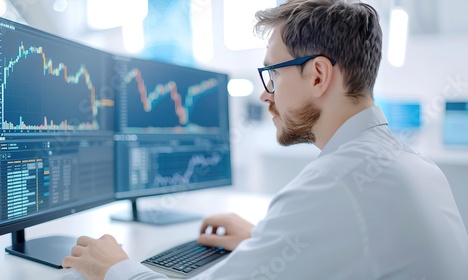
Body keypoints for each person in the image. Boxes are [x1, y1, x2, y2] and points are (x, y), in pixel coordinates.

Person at [62, 0, 468, 279]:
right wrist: (266, 242)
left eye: (272, 74)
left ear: (318, 75)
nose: (265, 94)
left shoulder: (336, 183)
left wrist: (114, 267)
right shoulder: (412, 165)